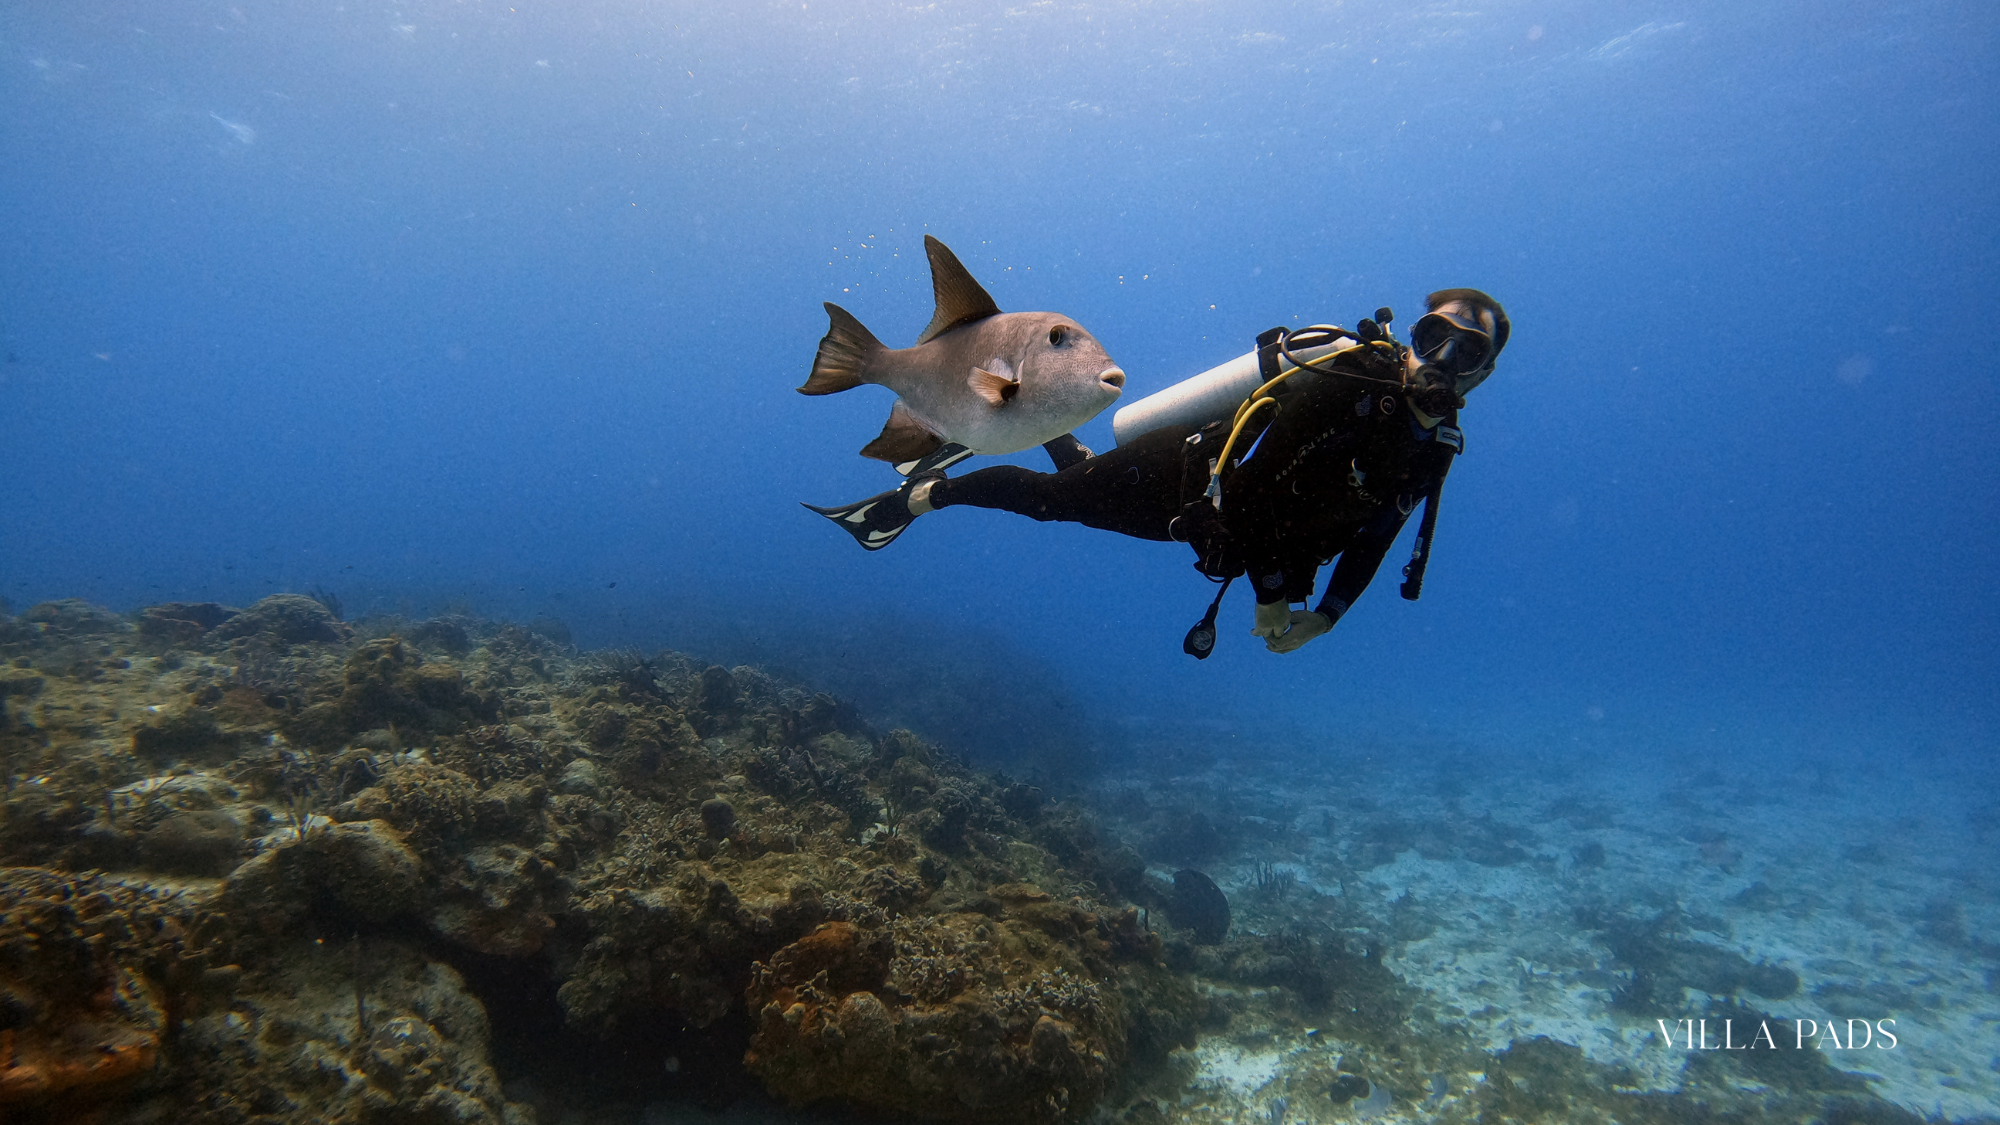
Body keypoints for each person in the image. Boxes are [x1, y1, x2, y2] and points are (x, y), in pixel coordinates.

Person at [805, 289, 1508, 655]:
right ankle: (922, 497)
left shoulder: (1433, 446)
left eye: (1468, 352)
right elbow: (1254, 494)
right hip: (1175, 475)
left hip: (1207, 529)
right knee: (1052, 501)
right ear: (1410, 340)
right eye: (1433, 338)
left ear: (1485, 373)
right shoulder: (1345, 388)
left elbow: (1380, 533)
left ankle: (1046, 425)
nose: (1444, 361)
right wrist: (1271, 593)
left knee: (1079, 487)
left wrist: (1327, 615)